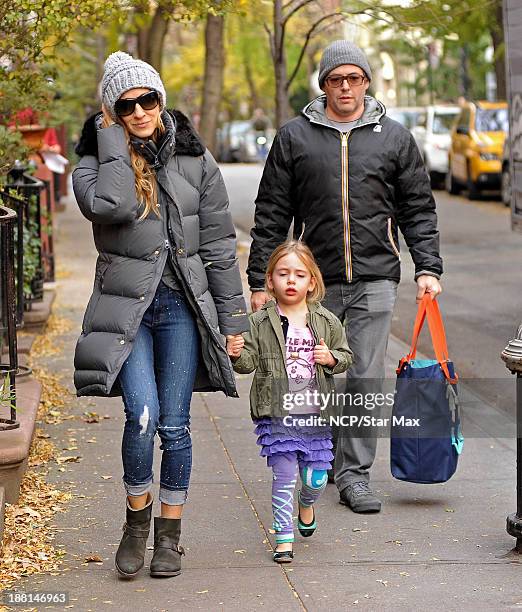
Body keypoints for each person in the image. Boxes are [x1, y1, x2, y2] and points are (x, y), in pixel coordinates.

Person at [72, 51, 248, 579]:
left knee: (174, 426)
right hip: (129, 312)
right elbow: (112, 208)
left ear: (161, 99)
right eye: (126, 106)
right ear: (112, 113)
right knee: (141, 416)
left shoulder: (196, 158)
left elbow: (218, 246)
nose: (141, 111)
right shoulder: (94, 164)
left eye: (147, 99)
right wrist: (111, 143)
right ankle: (135, 524)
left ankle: (170, 536)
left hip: (182, 310)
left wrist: (232, 323)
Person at [247, 40, 443, 514]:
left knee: (361, 377)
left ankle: (354, 475)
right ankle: (323, 456)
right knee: (314, 375)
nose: (346, 87)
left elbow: (418, 207)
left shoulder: (394, 138)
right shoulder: (294, 138)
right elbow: (272, 212)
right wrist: (259, 281)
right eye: (337, 79)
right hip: (313, 285)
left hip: (376, 278)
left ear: (367, 83)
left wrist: (428, 267)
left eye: (354, 78)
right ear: (324, 85)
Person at [228, 240, 352, 562]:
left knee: (316, 480)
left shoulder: (326, 321)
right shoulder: (259, 322)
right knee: (283, 477)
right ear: (270, 281)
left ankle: (306, 503)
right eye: (283, 274)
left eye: (299, 274)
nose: (291, 280)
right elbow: (249, 362)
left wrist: (330, 358)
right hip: (279, 415)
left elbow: (345, 356)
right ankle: (284, 539)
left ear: (312, 281)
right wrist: (237, 353)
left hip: (316, 415)